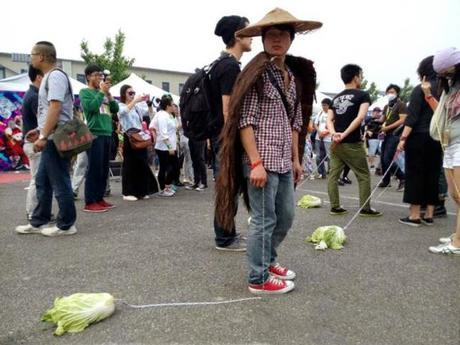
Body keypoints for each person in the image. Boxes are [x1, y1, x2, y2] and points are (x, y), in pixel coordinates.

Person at [216, 8, 320, 294]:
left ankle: (268, 259)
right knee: (264, 220)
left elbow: (296, 122)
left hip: (284, 161)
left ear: (291, 39)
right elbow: (244, 121)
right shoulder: (255, 74)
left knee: (286, 216)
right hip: (260, 160)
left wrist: (297, 160)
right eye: (271, 35)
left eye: (282, 35)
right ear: (262, 39)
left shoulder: (293, 76)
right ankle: (258, 278)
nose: (277, 40)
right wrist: (256, 162)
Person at [15, 41, 77, 236]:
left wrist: (43, 135)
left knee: (60, 181)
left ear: (41, 56)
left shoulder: (55, 76)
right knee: (42, 180)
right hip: (50, 135)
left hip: (55, 138)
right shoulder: (49, 77)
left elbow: (55, 108)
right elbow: (48, 111)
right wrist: (39, 129)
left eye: (32, 54)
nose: (31, 58)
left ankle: (66, 225)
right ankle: (39, 220)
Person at [210, 15, 252, 251]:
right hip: (227, 137)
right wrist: (236, 141)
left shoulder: (221, 63)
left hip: (221, 136)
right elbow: (229, 110)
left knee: (230, 186)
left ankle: (228, 233)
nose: (253, 36)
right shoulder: (229, 66)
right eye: (248, 31)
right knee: (227, 187)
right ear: (237, 35)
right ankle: (224, 238)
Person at [326, 64, 382, 217]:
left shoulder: (336, 98)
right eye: (361, 75)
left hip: (336, 143)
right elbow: (360, 117)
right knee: (363, 175)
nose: (362, 78)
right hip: (351, 142)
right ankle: (365, 208)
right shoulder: (363, 95)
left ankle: (335, 207)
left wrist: (334, 134)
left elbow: (329, 120)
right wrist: (344, 134)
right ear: (356, 77)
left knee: (333, 175)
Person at [396, 56, 443, 227]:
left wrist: (403, 138)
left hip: (418, 137)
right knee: (432, 174)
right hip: (437, 137)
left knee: (415, 174)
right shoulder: (444, 89)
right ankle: (429, 214)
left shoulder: (419, 89)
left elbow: (412, 118)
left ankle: (415, 215)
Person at [425, 47, 460, 254]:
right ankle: (457, 235)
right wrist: (430, 95)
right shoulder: (452, 85)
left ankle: (457, 244)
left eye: (448, 72)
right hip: (450, 143)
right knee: (455, 195)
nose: (445, 77)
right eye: (442, 74)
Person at [79, 64, 119, 212]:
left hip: (107, 132)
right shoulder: (85, 92)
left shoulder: (103, 93)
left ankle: (99, 198)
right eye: (96, 75)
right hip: (94, 133)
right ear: (88, 76)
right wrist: (102, 92)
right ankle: (90, 201)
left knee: (103, 169)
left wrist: (109, 94)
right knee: (94, 168)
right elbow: (91, 107)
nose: (99, 78)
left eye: (101, 75)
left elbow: (115, 110)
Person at [118, 85, 158, 200]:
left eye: (133, 92)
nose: (132, 95)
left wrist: (149, 103)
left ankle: (142, 190)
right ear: (123, 94)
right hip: (129, 136)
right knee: (130, 164)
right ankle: (127, 192)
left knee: (142, 163)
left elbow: (150, 114)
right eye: (130, 93)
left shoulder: (136, 107)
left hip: (139, 135)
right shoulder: (120, 105)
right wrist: (135, 100)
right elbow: (122, 113)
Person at [22, 65, 44, 220]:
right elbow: (42, 121)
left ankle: (36, 211)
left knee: (38, 178)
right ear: (38, 77)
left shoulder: (30, 94)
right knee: (37, 179)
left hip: (31, 143)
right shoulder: (35, 96)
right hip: (34, 143)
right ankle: (32, 212)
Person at [378, 84, 407, 191]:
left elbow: (402, 120)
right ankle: (386, 180)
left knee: (387, 158)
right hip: (386, 134)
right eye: (388, 92)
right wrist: (376, 123)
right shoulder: (387, 106)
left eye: (392, 92)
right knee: (382, 158)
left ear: (397, 93)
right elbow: (383, 119)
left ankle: (403, 177)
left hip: (395, 134)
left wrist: (388, 127)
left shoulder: (401, 105)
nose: (390, 94)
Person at [150, 94, 178, 197]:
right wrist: (170, 147)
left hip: (171, 146)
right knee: (167, 167)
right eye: (172, 105)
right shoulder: (162, 115)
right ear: (167, 105)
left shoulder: (169, 115)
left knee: (174, 166)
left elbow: (152, 125)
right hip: (164, 147)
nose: (174, 107)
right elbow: (163, 132)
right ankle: (163, 188)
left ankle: (167, 186)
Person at [313, 98, 332, 179]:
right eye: (322, 105)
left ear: (329, 105)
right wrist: (319, 132)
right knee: (318, 156)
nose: (323, 107)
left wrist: (325, 132)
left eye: (325, 105)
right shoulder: (320, 113)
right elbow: (315, 124)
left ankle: (331, 172)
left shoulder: (332, 114)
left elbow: (333, 125)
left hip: (328, 138)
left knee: (329, 156)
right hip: (318, 137)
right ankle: (321, 172)